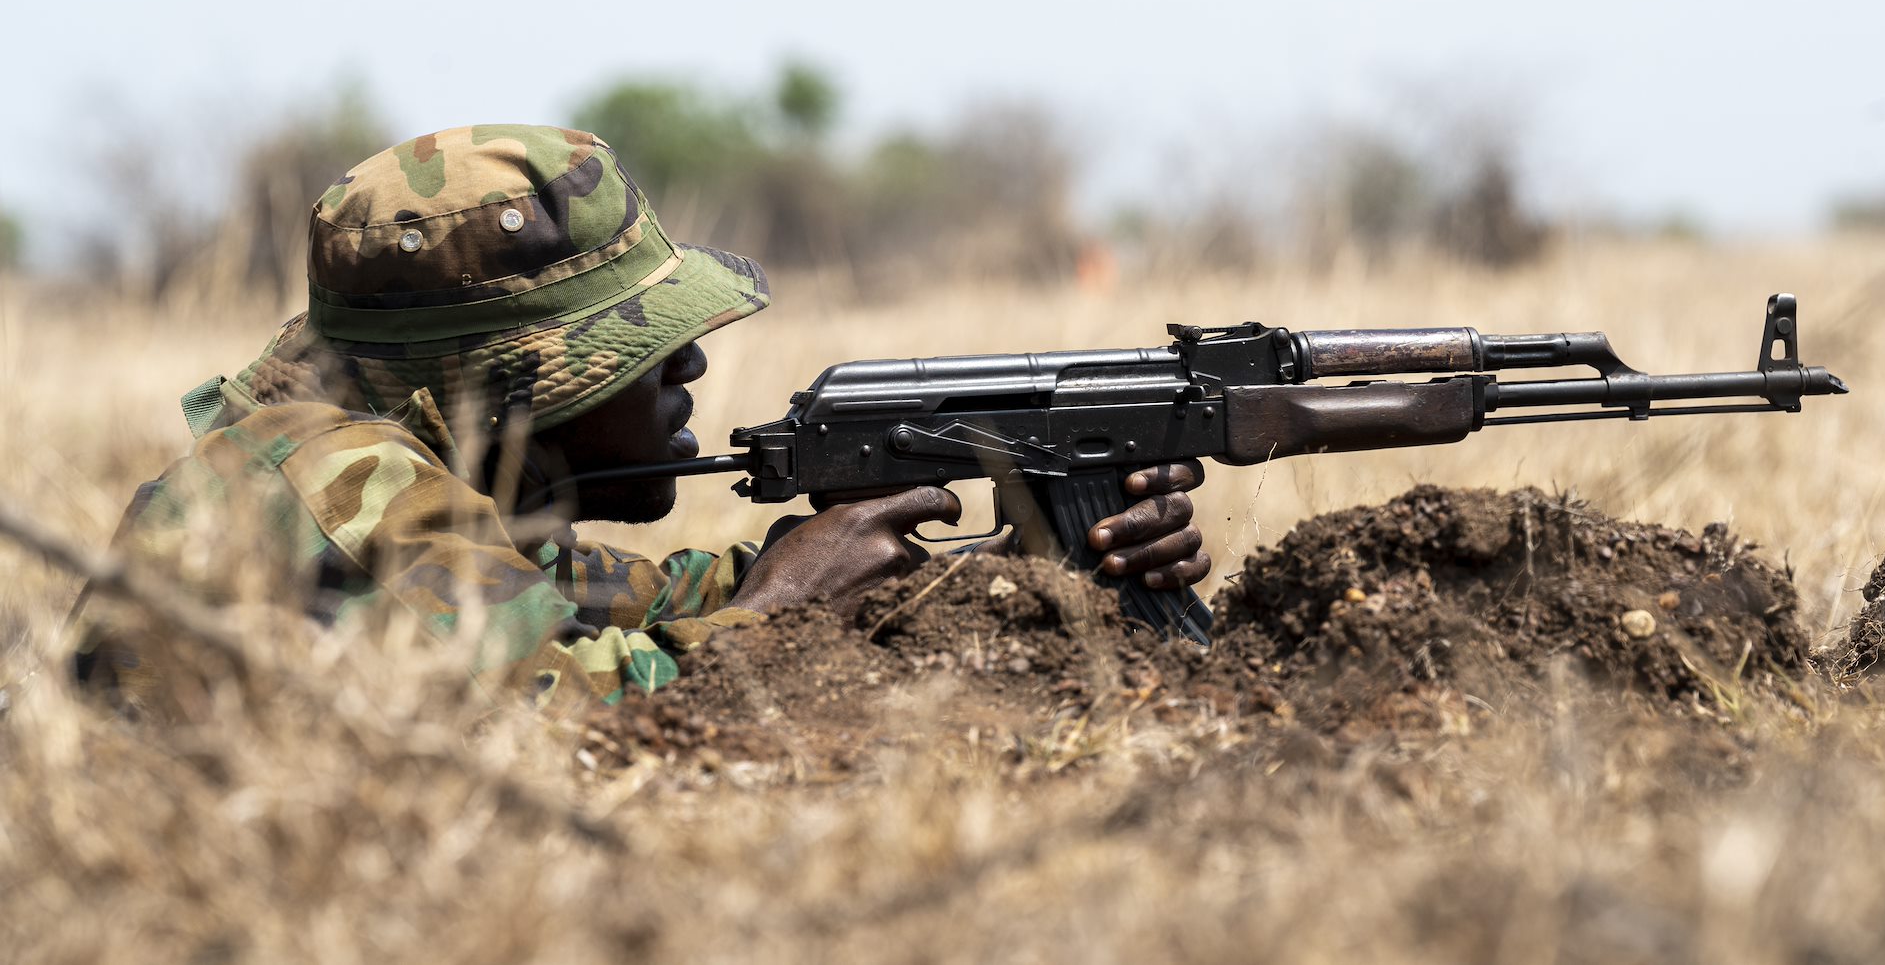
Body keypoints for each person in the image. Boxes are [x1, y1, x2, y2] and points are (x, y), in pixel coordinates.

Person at [72, 125, 1208, 713]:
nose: (691, 364)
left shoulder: (437, 484)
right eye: (641, 346)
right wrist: (783, 606)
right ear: (504, 383)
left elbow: (608, 604)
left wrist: (998, 570)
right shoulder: (331, 476)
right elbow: (563, 711)